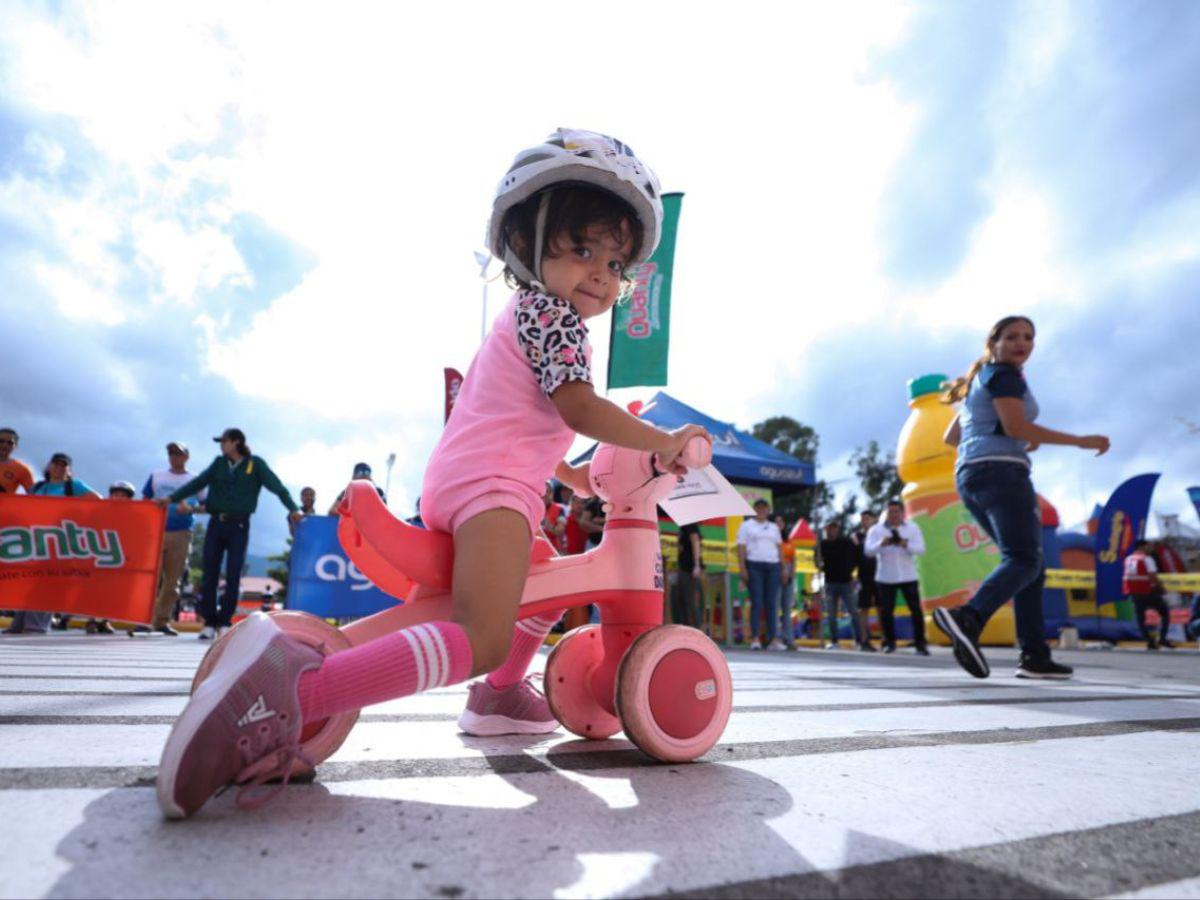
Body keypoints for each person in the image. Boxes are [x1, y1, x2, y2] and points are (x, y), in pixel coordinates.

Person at [156, 129, 710, 819]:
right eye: (584, 249)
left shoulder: (522, 318)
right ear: (528, 242)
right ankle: (292, 696)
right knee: (480, 635)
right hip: (492, 489)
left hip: (467, 481)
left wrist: (567, 480)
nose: (601, 273)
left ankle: (502, 697)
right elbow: (579, 406)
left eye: (617, 262)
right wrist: (661, 440)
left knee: (535, 572)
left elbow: (525, 421)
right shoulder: (556, 317)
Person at [936, 315, 1110, 679]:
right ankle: (969, 617)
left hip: (971, 475)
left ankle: (1034, 655)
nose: (1022, 343)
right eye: (1012, 336)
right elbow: (1016, 426)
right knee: (1024, 559)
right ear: (993, 342)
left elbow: (953, 438)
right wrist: (1081, 440)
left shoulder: (978, 381)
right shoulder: (1003, 375)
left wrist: (1011, 433)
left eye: (1029, 337)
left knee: (1030, 566)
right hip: (1002, 473)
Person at [160, 428, 302, 641]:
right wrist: (171, 498)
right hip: (216, 523)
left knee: (233, 573)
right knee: (210, 573)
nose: (221, 445)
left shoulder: (256, 465)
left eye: (224, 441)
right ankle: (209, 622)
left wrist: (293, 508)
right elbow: (197, 484)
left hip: (239, 526)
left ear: (236, 442)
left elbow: (278, 487)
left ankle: (225, 621)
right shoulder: (219, 463)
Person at [5, 454, 101, 635]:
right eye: (55, 464)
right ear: (49, 467)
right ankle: (19, 624)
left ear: (68, 470)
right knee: (28, 580)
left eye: (63, 465)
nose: (59, 468)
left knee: (46, 580)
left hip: (59, 540)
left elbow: (98, 501)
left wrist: (75, 516)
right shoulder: (38, 487)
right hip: (36, 538)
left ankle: (37, 625)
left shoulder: (75, 487)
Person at [133, 442, 205, 637]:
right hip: (156, 532)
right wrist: (152, 508)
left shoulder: (195, 479)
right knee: (150, 578)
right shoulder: (156, 476)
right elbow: (144, 501)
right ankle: (143, 620)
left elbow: (206, 506)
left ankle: (162, 621)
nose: (174, 457)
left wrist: (191, 509)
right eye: (171, 453)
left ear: (186, 457)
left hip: (182, 532)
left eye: (179, 453)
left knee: (173, 581)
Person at [864, 502, 928, 655]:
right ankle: (889, 644)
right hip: (886, 577)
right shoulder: (876, 530)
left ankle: (920, 645)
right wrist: (881, 543)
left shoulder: (912, 528)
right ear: (886, 513)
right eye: (890, 512)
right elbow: (868, 551)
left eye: (896, 512)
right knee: (886, 612)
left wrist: (906, 544)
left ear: (902, 513)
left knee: (916, 611)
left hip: (909, 576)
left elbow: (921, 550)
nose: (893, 515)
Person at [738, 499, 784, 650]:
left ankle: (773, 639)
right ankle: (755, 638)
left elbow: (780, 548)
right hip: (754, 565)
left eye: (764, 508)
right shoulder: (746, 525)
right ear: (754, 509)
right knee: (757, 602)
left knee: (771, 603)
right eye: (759, 507)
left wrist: (783, 568)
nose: (761, 510)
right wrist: (742, 568)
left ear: (768, 510)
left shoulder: (773, 528)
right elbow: (741, 547)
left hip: (773, 566)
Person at [1123, 540, 1174, 650]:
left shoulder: (1128, 559)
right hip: (1148, 591)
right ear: (1142, 547)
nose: (1149, 548)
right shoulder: (1147, 559)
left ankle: (1150, 642)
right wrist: (1162, 588)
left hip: (1135, 593)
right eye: (1148, 546)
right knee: (1165, 613)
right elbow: (1152, 576)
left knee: (1140, 619)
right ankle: (1162, 638)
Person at [818, 521, 859, 650]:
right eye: (830, 528)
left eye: (834, 528)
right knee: (831, 613)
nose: (832, 530)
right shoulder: (822, 544)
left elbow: (854, 558)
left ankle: (858, 640)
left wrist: (849, 571)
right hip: (830, 582)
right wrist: (819, 565)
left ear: (838, 529)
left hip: (846, 581)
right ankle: (834, 640)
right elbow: (817, 561)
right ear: (826, 529)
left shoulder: (846, 542)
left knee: (853, 611)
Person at [851, 511, 879, 651]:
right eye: (862, 519)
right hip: (864, 576)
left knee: (882, 607)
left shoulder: (880, 533)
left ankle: (887, 640)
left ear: (874, 519)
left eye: (867, 518)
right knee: (864, 608)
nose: (864, 521)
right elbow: (852, 558)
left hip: (881, 575)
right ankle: (864, 640)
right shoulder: (857, 536)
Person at [672, 521, 704, 630]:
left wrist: (696, 565)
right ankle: (686, 628)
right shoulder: (683, 526)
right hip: (683, 567)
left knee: (690, 601)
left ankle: (697, 629)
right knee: (682, 600)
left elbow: (695, 542)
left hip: (689, 569)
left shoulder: (691, 525)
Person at [775, 516, 796, 649]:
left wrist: (791, 574)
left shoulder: (789, 540)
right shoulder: (771, 539)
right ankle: (776, 638)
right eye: (776, 522)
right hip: (775, 572)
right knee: (775, 608)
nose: (779, 524)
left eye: (781, 522)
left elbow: (794, 559)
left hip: (789, 574)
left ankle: (788, 638)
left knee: (787, 609)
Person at [0, 427, 34, 495]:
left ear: (15, 446)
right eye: (1, 441)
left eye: (10, 443)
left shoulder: (22, 470)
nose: (5, 445)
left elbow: (34, 496)